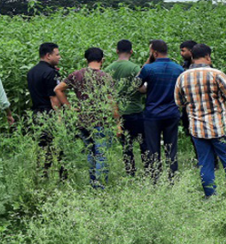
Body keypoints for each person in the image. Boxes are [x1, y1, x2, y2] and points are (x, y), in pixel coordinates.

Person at [175, 43, 226, 198]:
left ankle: (211, 196)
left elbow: (178, 102)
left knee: (205, 163)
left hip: (197, 128)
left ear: (192, 57)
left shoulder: (182, 77)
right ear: (207, 56)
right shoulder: (216, 74)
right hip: (219, 126)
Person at [54, 47, 117, 188]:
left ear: (86, 60)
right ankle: (100, 185)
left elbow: (58, 89)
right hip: (100, 120)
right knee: (101, 154)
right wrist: (117, 121)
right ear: (102, 60)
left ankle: (93, 182)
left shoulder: (77, 74)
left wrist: (69, 107)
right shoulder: (105, 77)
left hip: (82, 120)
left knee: (91, 152)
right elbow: (112, 101)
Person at [137, 39, 184, 180]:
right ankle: (172, 177)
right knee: (171, 147)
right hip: (172, 113)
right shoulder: (178, 69)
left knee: (153, 148)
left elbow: (136, 84)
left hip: (153, 114)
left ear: (154, 53)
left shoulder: (148, 69)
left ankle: (155, 178)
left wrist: (146, 62)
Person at [105, 39, 146, 176]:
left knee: (126, 146)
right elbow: (141, 89)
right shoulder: (134, 68)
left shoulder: (108, 69)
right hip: (136, 111)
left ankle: (130, 173)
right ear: (131, 51)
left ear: (116, 51)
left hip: (120, 114)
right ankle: (148, 171)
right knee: (143, 144)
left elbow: (107, 94)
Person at [27, 42, 63, 176]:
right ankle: (61, 176)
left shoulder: (32, 71)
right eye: (57, 54)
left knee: (41, 147)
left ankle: (42, 174)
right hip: (49, 113)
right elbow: (53, 98)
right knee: (57, 147)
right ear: (48, 56)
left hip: (36, 113)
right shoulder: (51, 73)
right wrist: (59, 117)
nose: (59, 57)